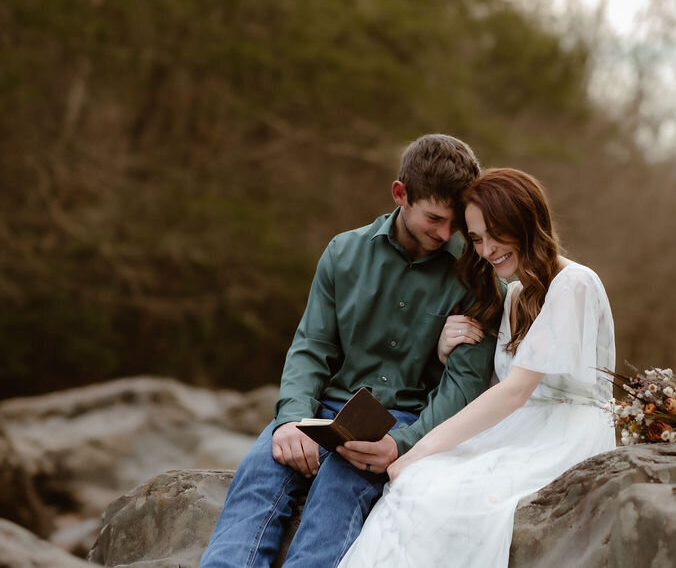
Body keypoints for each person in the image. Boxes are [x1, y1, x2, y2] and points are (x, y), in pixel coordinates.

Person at [200, 134, 498, 568]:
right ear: (401, 194)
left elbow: (463, 387)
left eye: (454, 221)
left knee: (339, 489)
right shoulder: (343, 252)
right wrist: (289, 420)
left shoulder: (476, 275)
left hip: (407, 418)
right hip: (323, 408)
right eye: (435, 219)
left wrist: (401, 445)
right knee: (260, 472)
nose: (446, 233)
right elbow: (311, 348)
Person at [338, 168, 617, 567]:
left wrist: (418, 449)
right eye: (476, 239)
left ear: (526, 222)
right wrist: (443, 351)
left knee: (445, 493)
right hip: (519, 426)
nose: (486, 250)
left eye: (495, 234)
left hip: (565, 429)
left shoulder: (574, 283)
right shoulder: (516, 291)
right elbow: (494, 384)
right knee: (417, 484)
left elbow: (515, 391)